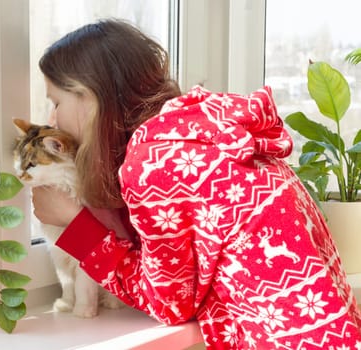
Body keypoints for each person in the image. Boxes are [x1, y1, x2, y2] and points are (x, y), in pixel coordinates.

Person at [32, 18, 361, 349]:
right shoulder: (200, 131)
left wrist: (75, 225)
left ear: (89, 98)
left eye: (56, 102)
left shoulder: (153, 163)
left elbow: (169, 304)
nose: (51, 120)